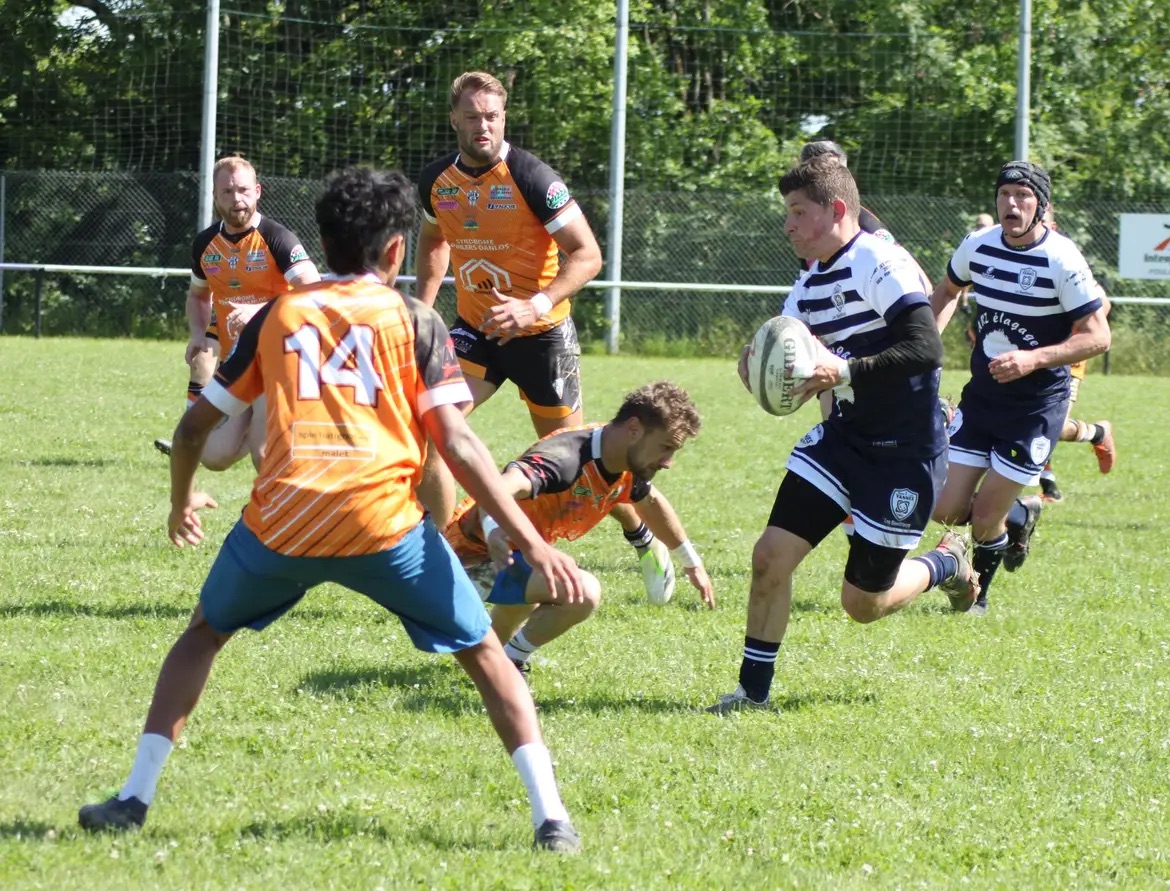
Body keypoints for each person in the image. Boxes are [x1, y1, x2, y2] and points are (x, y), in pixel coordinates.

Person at [78, 167, 585, 854]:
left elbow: (195, 429)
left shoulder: (278, 315)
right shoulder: (415, 321)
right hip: (383, 526)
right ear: (398, 250)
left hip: (283, 523)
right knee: (484, 653)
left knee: (201, 635)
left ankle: (134, 798)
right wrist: (533, 542)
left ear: (322, 240)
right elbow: (459, 444)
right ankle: (551, 818)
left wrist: (180, 502)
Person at [707, 155, 979, 714]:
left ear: (835, 210)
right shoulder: (808, 282)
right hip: (842, 441)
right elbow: (788, 345)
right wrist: (758, 364)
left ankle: (945, 563)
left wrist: (845, 371)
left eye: (797, 212)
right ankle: (752, 694)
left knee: (863, 605)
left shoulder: (878, 262)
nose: (787, 225)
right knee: (769, 556)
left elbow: (926, 347)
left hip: (904, 452)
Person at [414, 70, 675, 605]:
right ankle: (443, 560)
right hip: (477, 332)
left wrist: (534, 304)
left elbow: (588, 254)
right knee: (431, 429)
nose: (483, 126)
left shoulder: (533, 178)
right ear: (454, 119)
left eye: (492, 116)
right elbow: (434, 238)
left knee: (582, 471)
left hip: (542, 338)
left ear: (503, 118)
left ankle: (641, 536)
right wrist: (423, 307)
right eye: (472, 116)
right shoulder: (436, 180)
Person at [929, 161, 1111, 616]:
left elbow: (1098, 336)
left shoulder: (1062, 258)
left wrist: (1033, 359)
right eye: (1004, 194)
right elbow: (947, 290)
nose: (1012, 204)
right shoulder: (978, 245)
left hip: (1035, 408)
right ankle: (1019, 515)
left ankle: (977, 600)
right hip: (983, 397)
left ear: (1041, 205)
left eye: (1023, 196)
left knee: (983, 518)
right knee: (945, 510)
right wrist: (924, 343)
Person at [444, 381, 715, 675]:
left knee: (500, 635)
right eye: (666, 447)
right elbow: (499, 486)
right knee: (580, 590)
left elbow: (650, 501)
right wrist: (493, 527)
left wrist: (691, 561)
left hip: (517, 555)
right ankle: (510, 664)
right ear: (634, 428)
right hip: (471, 557)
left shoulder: (621, 458)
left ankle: (494, 660)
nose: (668, 462)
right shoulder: (565, 458)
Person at [154, 156, 320, 470]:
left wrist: (260, 310)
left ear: (257, 191)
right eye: (227, 192)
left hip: (277, 357)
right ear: (215, 197)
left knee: (263, 453)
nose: (237, 199)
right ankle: (281, 436)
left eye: (243, 190)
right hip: (238, 361)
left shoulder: (277, 238)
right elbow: (198, 295)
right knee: (214, 456)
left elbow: (314, 291)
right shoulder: (205, 244)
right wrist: (198, 334)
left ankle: (279, 453)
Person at [1033, 205, 1116, 502]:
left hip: (1066, 358)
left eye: (1042, 219)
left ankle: (1097, 433)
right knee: (1028, 420)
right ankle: (1048, 483)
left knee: (1051, 426)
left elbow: (1102, 303)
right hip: (1030, 352)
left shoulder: (1061, 256)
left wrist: (1068, 335)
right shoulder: (1014, 254)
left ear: (1052, 226)